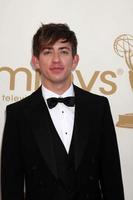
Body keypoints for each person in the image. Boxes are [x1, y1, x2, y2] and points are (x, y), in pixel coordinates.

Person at [1, 23, 125, 200]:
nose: (56, 59)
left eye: (64, 51)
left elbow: (112, 178)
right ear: (35, 61)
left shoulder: (99, 107)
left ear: (75, 60)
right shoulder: (18, 114)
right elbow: (10, 186)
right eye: (48, 52)